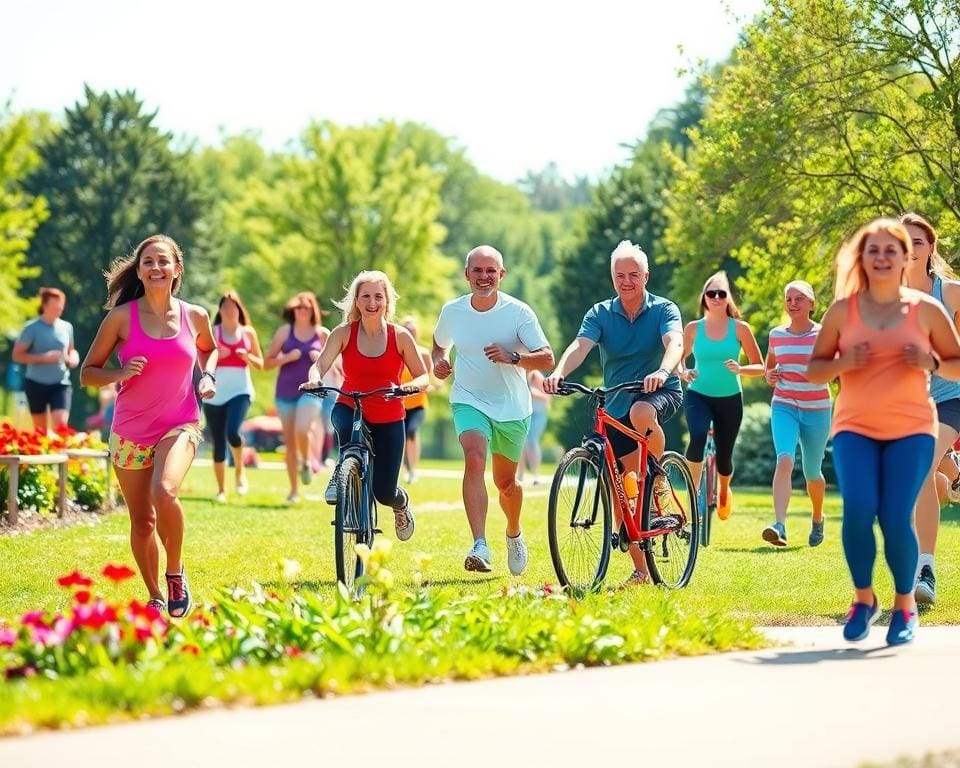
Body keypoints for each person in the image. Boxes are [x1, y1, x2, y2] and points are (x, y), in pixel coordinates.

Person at [807, 217, 960, 645]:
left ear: (905, 256)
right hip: (855, 426)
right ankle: (863, 599)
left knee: (894, 516)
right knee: (858, 510)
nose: (881, 257)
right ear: (862, 258)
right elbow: (815, 371)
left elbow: (956, 362)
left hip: (911, 427)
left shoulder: (926, 309)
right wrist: (841, 363)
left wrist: (928, 360)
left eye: (890, 250)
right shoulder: (843, 310)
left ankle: (905, 604)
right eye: (872, 250)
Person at [79, 234, 217, 618]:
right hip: (130, 431)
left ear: (177, 269)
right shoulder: (122, 318)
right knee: (142, 523)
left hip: (180, 422)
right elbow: (87, 374)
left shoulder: (195, 315)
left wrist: (208, 377)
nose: (156, 268)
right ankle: (156, 593)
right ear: (139, 272)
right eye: (148, 262)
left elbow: (209, 348)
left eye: (163, 261)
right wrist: (120, 372)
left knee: (166, 490)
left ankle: (175, 572)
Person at [544, 240, 683, 585]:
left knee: (640, 413)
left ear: (646, 275)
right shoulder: (601, 313)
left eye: (633, 275)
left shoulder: (664, 309)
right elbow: (581, 345)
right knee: (621, 487)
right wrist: (560, 371)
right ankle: (640, 572)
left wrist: (663, 371)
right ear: (612, 277)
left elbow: (675, 343)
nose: (626, 281)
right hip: (616, 400)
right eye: (620, 275)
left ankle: (659, 472)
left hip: (659, 390)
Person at [433, 245, 554, 575]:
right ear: (467, 274)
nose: (484, 277)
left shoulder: (518, 313)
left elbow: (547, 358)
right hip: (468, 398)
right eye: (478, 271)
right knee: (473, 457)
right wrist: (438, 363)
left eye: (491, 271)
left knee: (506, 484)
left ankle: (513, 531)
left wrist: (512, 357)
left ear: (501, 275)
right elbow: (438, 344)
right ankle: (480, 545)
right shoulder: (453, 311)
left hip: (512, 408)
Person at [308, 271, 428, 541]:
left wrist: (410, 387)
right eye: (366, 296)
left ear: (387, 301)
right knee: (341, 420)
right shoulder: (343, 333)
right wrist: (314, 379)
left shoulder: (400, 337)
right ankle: (342, 469)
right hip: (351, 402)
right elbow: (320, 365)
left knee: (384, 492)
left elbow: (423, 376)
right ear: (356, 301)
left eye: (378, 296)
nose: (372, 302)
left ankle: (401, 503)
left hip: (388, 413)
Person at [901, 212, 960, 606]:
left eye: (917, 242)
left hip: (951, 395)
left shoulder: (951, 293)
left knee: (921, 468)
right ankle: (955, 474)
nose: (909, 249)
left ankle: (926, 570)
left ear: (929, 249)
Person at [679, 271, 764, 523]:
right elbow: (679, 360)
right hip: (698, 394)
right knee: (697, 436)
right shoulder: (693, 329)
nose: (716, 297)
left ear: (728, 299)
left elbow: (760, 366)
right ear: (704, 298)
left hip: (729, 398)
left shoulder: (740, 328)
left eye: (721, 293)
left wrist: (741, 369)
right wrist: (684, 373)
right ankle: (692, 499)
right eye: (711, 293)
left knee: (725, 458)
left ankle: (725, 489)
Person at [761, 280, 832, 547]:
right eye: (788, 299)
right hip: (785, 404)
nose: (792, 303)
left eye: (799, 298)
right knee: (785, 460)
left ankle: (817, 517)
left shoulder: (824, 334)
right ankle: (779, 525)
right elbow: (768, 369)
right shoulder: (776, 334)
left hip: (817, 410)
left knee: (812, 472)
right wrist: (769, 375)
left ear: (812, 304)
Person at [264, 292, 329, 503]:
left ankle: (307, 461)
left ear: (313, 311)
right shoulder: (285, 332)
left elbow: (336, 363)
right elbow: (267, 363)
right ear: (293, 311)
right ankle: (293, 490)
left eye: (306, 308)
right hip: (285, 392)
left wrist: (319, 359)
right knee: (290, 443)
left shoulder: (322, 334)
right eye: (298, 308)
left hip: (311, 391)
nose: (302, 311)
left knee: (303, 428)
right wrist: (285, 358)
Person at [204, 291, 263, 503]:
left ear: (239, 309)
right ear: (220, 311)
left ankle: (240, 471)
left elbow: (260, 364)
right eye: (225, 307)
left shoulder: (248, 333)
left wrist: (247, 357)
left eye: (233, 307)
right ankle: (221, 490)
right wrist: (218, 356)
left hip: (241, 391)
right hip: (214, 394)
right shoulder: (213, 332)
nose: (230, 311)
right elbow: (201, 360)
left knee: (233, 433)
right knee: (218, 441)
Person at [12, 287, 80, 431]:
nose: (59, 308)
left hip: (60, 383)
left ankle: (63, 451)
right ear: (44, 306)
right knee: (40, 431)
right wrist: (44, 358)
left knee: (61, 425)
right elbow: (17, 355)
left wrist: (73, 358)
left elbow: (71, 350)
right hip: (36, 383)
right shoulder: (31, 328)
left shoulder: (67, 327)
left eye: (61, 304)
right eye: (55, 305)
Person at [399, 316, 434, 484]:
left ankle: (413, 469)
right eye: (407, 329)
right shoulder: (397, 352)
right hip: (399, 403)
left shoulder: (424, 353)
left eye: (413, 329)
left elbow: (428, 377)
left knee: (412, 432)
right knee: (401, 437)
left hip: (418, 404)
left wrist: (429, 386)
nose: (411, 332)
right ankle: (405, 468)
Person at [519, 370, 550, 484]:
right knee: (522, 443)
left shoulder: (536, 375)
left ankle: (535, 475)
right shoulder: (523, 376)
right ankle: (520, 474)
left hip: (538, 415)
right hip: (527, 414)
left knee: (532, 441)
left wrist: (533, 393)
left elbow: (545, 396)